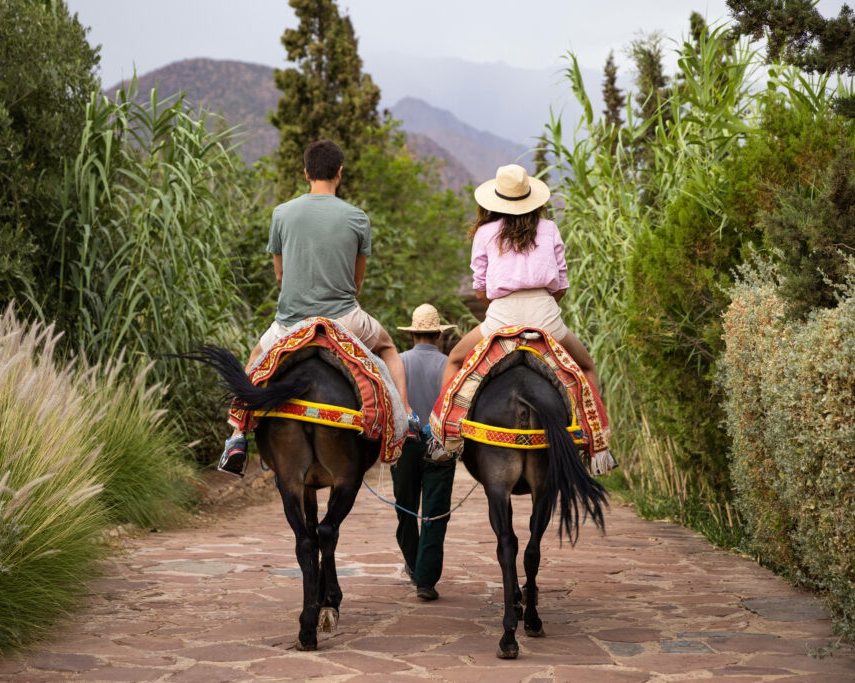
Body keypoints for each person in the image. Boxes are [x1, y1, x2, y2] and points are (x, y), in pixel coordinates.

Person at [220, 140, 412, 475]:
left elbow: (280, 276)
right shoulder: (357, 217)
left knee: (255, 359)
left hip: (292, 324)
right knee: (388, 347)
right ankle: (406, 417)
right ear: (339, 173)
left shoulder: (281, 214)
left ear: (306, 172)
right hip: (344, 321)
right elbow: (356, 283)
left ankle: (236, 436)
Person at [440, 163, 599, 391]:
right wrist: (539, 307)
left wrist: (502, 308)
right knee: (586, 366)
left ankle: (442, 426)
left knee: (454, 360)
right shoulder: (550, 228)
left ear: (496, 200)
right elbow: (561, 287)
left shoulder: (485, 233)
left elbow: (480, 290)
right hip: (545, 315)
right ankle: (594, 425)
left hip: (501, 317)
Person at [391, 304, 456, 601]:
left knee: (405, 507)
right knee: (435, 512)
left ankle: (415, 566)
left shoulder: (399, 363)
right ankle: (425, 580)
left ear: (413, 334)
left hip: (405, 445)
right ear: (438, 336)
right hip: (440, 448)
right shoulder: (450, 365)